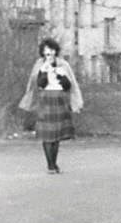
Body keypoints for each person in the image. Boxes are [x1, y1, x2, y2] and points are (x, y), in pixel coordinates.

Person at [18, 37, 83, 174]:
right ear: (43, 53)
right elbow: (38, 85)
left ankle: (54, 163)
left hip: (59, 99)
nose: (50, 54)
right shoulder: (39, 65)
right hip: (45, 99)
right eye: (47, 52)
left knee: (57, 133)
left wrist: (61, 76)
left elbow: (68, 85)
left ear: (56, 51)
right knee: (47, 133)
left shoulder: (63, 64)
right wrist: (45, 72)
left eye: (52, 51)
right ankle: (51, 165)